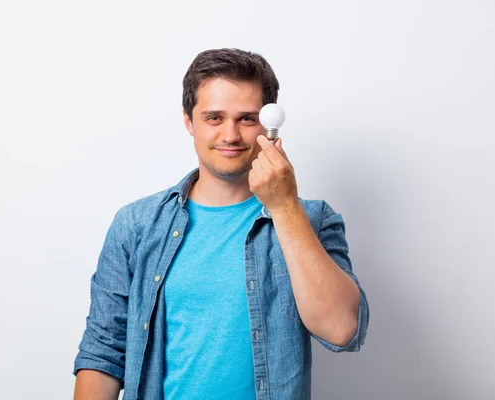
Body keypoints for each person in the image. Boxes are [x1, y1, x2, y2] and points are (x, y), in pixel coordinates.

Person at [73, 48, 369, 400]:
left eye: (247, 118)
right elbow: (104, 353)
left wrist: (285, 206)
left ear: (267, 125)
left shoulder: (314, 220)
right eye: (214, 117)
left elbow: (341, 330)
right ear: (188, 121)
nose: (230, 135)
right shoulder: (136, 226)